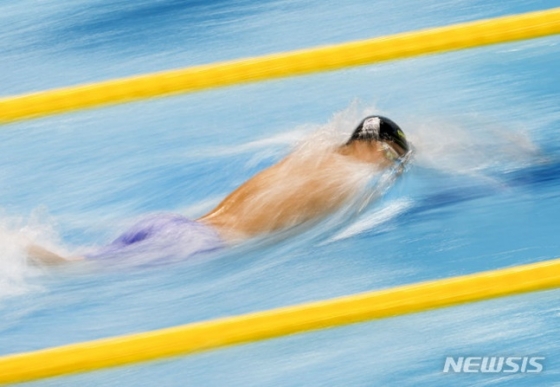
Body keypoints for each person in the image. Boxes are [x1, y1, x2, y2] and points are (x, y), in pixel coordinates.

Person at [26, 115, 410, 265]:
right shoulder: (344, 181)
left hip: (172, 224)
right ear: (371, 146)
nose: (385, 165)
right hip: (196, 244)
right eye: (387, 156)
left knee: (70, 260)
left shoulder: (312, 152)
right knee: (68, 271)